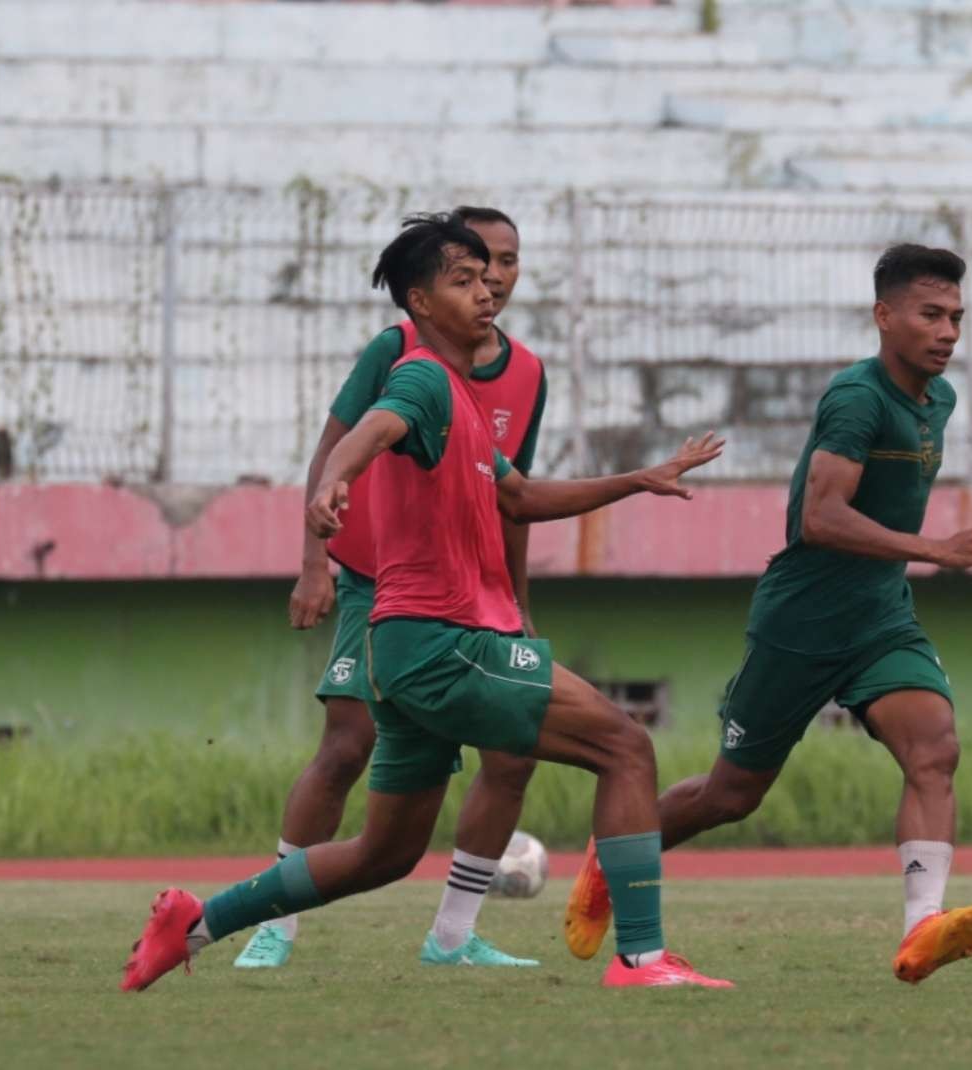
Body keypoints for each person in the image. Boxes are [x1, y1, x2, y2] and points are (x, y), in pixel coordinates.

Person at [123, 215, 730, 991]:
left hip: (408, 650)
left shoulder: (465, 402)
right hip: (448, 643)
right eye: (463, 281)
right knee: (625, 747)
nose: (487, 292)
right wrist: (338, 476)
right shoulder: (421, 375)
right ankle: (643, 960)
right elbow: (374, 426)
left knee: (385, 854)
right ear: (420, 301)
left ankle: (195, 923)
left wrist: (637, 479)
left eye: (490, 278)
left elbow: (521, 493)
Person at [560, 244, 972, 985]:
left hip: (880, 619)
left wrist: (909, 562)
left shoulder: (941, 401)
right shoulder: (856, 398)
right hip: (801, 622)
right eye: (931, 314)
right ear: (884, 316)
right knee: (730, 796)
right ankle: (614, 855)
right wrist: (936, 547)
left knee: (934, 749)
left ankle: (920, 929)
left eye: (957, 317)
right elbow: (820, 520)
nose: (948, 331)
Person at [240, 207, 548, 971]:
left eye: (508, 262)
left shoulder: (529, 373)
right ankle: (274, 922)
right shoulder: (401, 349)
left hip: (475, 597)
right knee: (349, 743)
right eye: (478, 266)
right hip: (380, 586)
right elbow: (335, 446)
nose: (497, 279)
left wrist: (517, 604)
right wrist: (316, 562)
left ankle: (452, 935)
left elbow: (514, 497)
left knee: (511, 754)